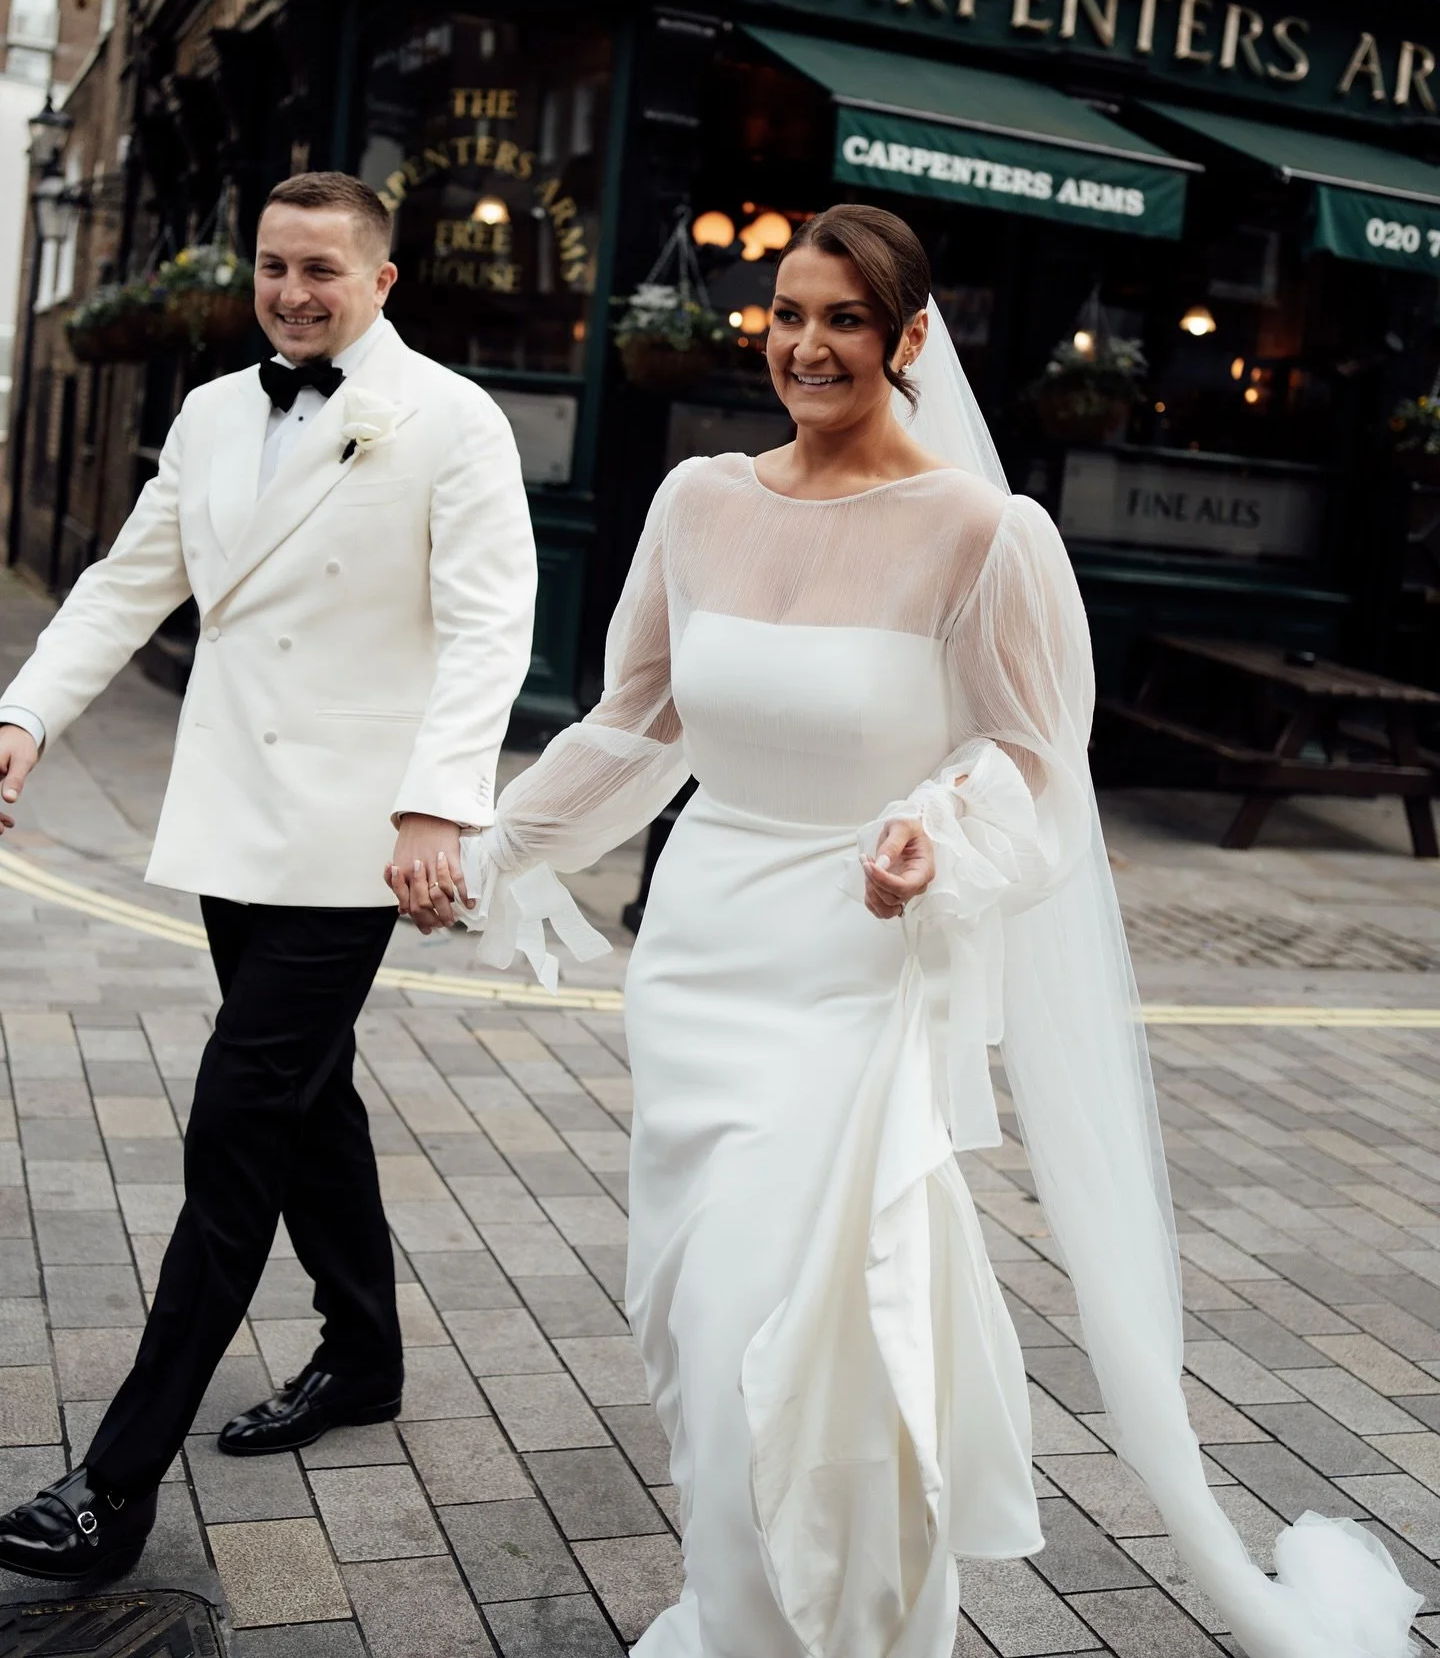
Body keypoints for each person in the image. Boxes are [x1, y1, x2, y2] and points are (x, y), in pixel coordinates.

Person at [396, 206, 1420, 1658]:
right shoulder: (696, 501)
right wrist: (495, 848)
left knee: (798, 1321)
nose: (807, 346)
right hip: (700, 963)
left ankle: (822, 1629)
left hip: (856, 971)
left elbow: (1036, 761)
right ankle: (738, 1599)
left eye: (847, 321)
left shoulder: (989, 537)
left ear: (912, 339)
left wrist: (934, 827)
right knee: (699, 1323)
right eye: (788, 314)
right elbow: (636, 723)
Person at [0, 171, 536, 1580]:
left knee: (238, 1117)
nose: (293, 291)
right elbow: (128, 578)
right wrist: (26, 714)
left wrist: (439, 808)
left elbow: (492, 630)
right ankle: (361, 1354)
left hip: (360, 838)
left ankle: (115, 1488)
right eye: (273, 266)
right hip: (237, 816)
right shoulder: (213, 411)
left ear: (382, 280)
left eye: (322, 269)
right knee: (307, 1095)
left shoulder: (453, 421)